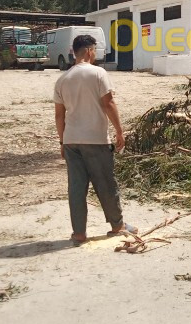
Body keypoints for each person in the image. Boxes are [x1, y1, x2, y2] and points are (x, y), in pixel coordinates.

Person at [54, 33, 137, 245]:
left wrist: (62, 142)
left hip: (72, 141)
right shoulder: (98, 73)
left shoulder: (62, 79)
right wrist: (119, 131)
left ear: (73, 52)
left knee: (76, 188)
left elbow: (59, 115)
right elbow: (108, 104)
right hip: (96, 140)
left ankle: (79, 233)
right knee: (106, 184)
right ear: (90, 51)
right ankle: (117, 226)